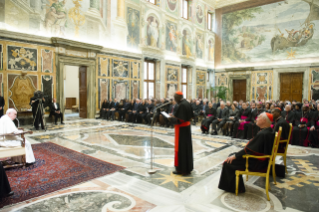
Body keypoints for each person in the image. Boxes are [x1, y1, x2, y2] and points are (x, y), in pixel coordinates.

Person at [218, 112, 275, 193]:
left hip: (257, 163)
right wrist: (236, 155)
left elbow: (248, 150)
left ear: (264, 120)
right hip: (262, 161)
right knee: (232, 155)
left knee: (229, 162)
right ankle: (237, 186)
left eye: (258, 117)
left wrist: (236, 156)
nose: (256, 119)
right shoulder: (268, 131)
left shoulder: (263, 134)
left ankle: (235, 188)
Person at [170, 91, 193, 175]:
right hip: (186, 128)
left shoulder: (182, 105)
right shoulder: (186, 103)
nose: (175, 99)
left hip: (182, 130)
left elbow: (180, 120)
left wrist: (171, 118)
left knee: (182, 149)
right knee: (186, 149)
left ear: (178, 97)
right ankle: (185, 168)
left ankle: (182, 169)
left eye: (175, 97)